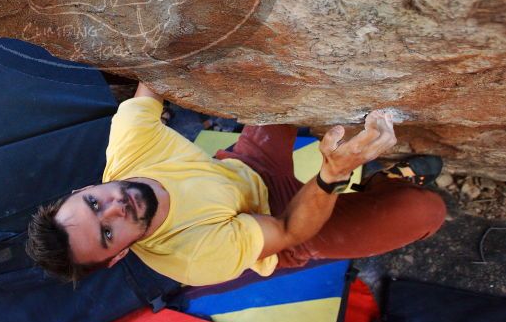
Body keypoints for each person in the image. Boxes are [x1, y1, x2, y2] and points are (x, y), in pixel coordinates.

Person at [26, 83, 446, 286]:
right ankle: (383, 185)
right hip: (275, 229)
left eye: (95, 204)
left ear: (84, 189)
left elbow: (152, 81)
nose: (115, 208)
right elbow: (288, 232)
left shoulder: (128, 149)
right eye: (106, 232)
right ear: (119, 256)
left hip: (246, 169)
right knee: (425, 212)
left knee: (285, 74)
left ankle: (354, 184)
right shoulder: (194, 259)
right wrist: (333, 172)